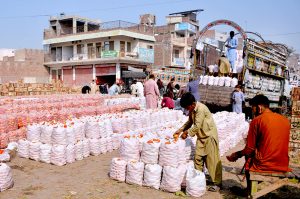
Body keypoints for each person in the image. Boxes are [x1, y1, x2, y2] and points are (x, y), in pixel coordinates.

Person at [227, 95, 291, 195]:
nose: (253, 111)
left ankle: (249, 191)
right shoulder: (285, 120)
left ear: (259, 107)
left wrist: (236, 154)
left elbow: (249, 149)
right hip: (283, 164)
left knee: (248, 155)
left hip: (265, 165)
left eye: (253, 108)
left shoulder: (257, 120)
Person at [173, 92, 222, 192]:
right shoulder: (192, 110)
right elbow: (190, 122)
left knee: (211, 161)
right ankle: (200, 180)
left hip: (209, 136)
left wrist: (186, 133)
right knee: (198, 159)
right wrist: (180, 130)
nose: (187, 110)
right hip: (201, 137)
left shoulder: (201, 109)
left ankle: (217, 183)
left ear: (192, 104)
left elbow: (197, 126)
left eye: (187, 107)